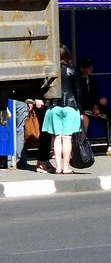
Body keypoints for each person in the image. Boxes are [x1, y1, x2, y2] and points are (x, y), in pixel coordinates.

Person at [41, 44, 83, 174]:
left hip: (54, 106)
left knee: (57, 138)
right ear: (67, 55)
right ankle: (66, 167)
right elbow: (78, 91)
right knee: (67, 138)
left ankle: (58, 167)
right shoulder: (72, 70)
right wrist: (81, 110)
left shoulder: (49, 71)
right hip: (71, 106)